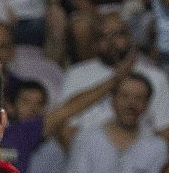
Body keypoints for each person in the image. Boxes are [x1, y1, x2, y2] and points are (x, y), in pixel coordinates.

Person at [52, 12, 169, 144]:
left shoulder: (156, 77)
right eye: (103, 36)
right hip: (88, 152)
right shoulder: (76, 74)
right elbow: (63, 127)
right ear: (94, 43)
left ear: (130, 38)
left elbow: (164, 132)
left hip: (141, 155)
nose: (111, 42)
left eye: (118, 34)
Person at [64, 73, 167, 173]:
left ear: (147, 105)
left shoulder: (158, 148)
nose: (131, 104)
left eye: (139, 98)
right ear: (112, 100)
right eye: (124, 96)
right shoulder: (85, 139)